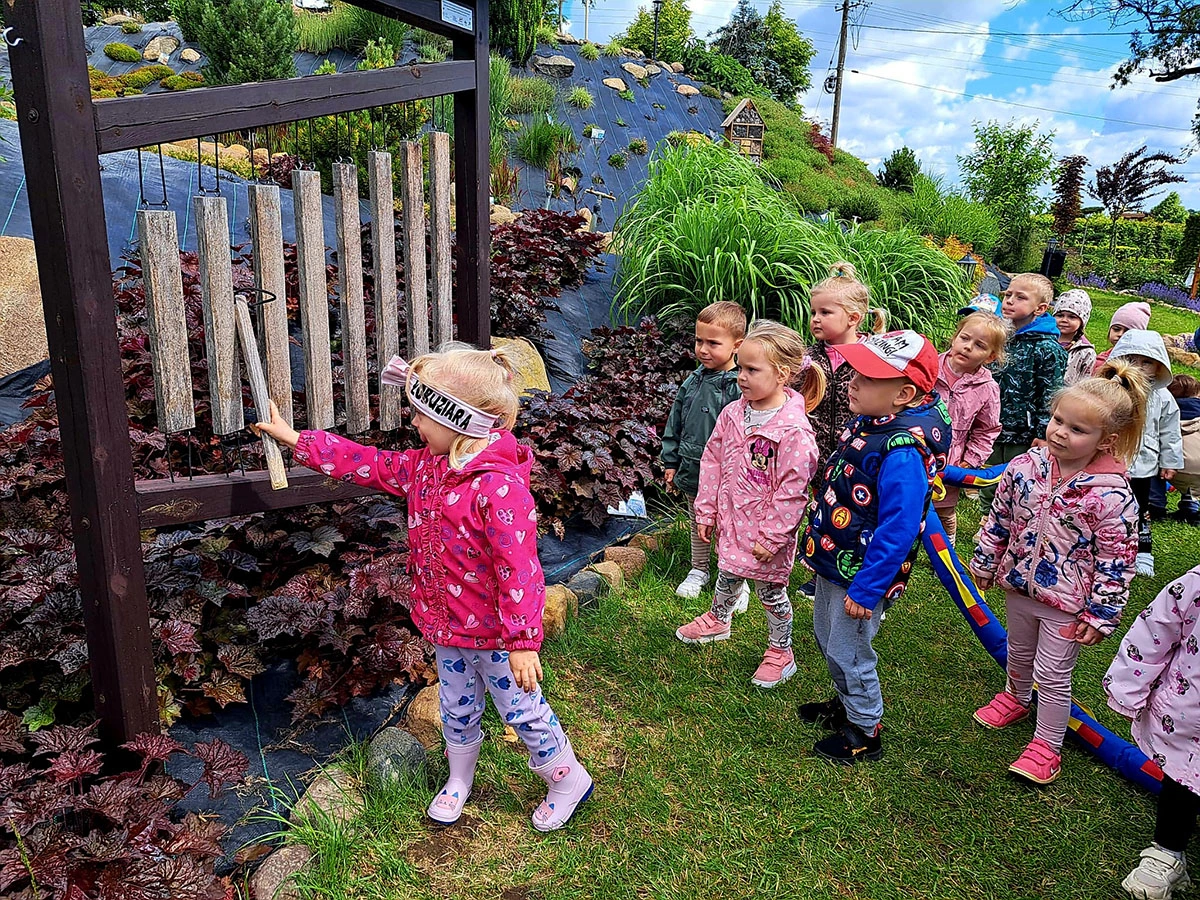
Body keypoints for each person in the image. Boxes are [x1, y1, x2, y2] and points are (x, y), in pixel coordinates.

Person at [254, 343, 593, 833]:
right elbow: (367, 463)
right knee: (456, 708)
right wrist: (296, 439)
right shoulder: (425, 469)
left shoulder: (499, 489)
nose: (413, 423)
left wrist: (523, 641)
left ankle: (567, 779)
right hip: (447, 627)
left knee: (522, 710)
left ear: (458, 420)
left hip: (498, 638)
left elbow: (520, 570)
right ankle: (459, 778)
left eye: (421, 415)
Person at [970, 361, 1146, 784]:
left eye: (1077, 429)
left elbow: (1117, 559)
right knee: (1018, 651)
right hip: (1019, 587)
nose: (1060, 432)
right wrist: (986, 561)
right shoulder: (1024, 468)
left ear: (1107, 441)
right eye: (1057, 420)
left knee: (1052, 674)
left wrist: (1101, 613)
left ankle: (1047, 745)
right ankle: (1015, 697)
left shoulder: (1112, 496)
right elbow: (1000, 518)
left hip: (1067, 604)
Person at [798, 330, 951, 762]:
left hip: (862, 573)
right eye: (856, 373)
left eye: (867, 378)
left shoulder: (903, 452)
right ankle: (847, 704)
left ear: (903, 394)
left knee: (849, 650)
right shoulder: (874, 420)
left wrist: (868, 588)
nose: (853, 382)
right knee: (827, 636)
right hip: (837, 555)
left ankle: (865, 729)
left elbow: (899, 529)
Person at [675, 321, 824, 689]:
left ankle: (781, 651)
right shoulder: (734, 413)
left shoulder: (793, 431)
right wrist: (706, 510)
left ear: (782, 375)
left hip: (765, 534)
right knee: (728, 572)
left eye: (751, 370)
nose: (741, 377)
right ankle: (718, 619)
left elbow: (793, 490)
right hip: (732, 521)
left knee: (770, 592)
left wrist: (773, 537)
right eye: (740, 367)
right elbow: (712, 460)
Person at [1105, 565, 1200, 900]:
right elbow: (1154, 630)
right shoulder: (1196, 586)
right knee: (1182, 786)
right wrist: (1128, 688)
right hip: (1190, 727)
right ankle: (1168, 852)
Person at [801, 261, 887, 597]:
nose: (815, 319)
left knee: (855, 514)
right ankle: (819, 571)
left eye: (825, 312)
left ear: (853, 318)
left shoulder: (873, 356)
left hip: (858, 456)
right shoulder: (808, 358)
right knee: (820, 511)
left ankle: (861, 570)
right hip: (817, 451)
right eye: (813, 312)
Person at [661, 301, 750, 608]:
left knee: (731, 524)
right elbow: (675, 421)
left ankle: (736, 577)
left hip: (731, 472)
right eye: (699, 340)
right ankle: (699, 569)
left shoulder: (741, 386)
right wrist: (671, 460)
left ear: (737, 345)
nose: (703, 349)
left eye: (713, 343)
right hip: (693, 466)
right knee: (698, 519)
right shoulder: (693, 380)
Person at [979, 273, 1067, 518]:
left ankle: (1015, 519)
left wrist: (1043, 432)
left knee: (1019, 477)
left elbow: (1051, 394)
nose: (1009, 301)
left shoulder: (1047, 348)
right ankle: (987, 518)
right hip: (992, 423)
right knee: (988, 474)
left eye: (1020, 297)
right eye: (1008, 294)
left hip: (1023, 431)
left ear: (1040, 309)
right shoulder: (1000, 337)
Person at [1108, 329, 1182, 577]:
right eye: (1131, 359)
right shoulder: (1112, 390)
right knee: (1107, 504)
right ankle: (1107, 545)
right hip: (1111, 462)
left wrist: (1170, 461)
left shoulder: (1162, 397)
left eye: (1146, 362)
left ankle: (1143, 550)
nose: (1138, 367)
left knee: (1140, 509)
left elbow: (1170, 431)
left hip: (1143, 464)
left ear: (1159, 367)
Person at [933, 311, 1005, 542]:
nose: (967, 347)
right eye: (964, 338)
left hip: (951, 459)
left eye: (979, 345)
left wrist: (972, 459)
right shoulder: (929, 369)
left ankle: (947, 549)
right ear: (955, 337)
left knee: (944, 509)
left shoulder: (987, 388)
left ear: (990, 356)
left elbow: (987, 429)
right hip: (915, 449)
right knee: (905, 504)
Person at [1166, 374, 1200, 525]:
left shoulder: (1165, 411)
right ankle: (1191, 508)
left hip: (1176, 468)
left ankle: (1156, 505)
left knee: (1152, 457)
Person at [1093, 300, 1151, 375]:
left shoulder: (1141, 368)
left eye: (1127, 332)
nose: (1120, 334)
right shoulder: (1100, 361)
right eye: (1116, 329)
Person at [1052, 288, 1097, 386]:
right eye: (1060, 315)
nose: (1064, 320)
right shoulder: (1046, 341)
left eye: (1072, 317)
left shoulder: (1086, 351)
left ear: (1082, 321)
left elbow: (1085, 382)